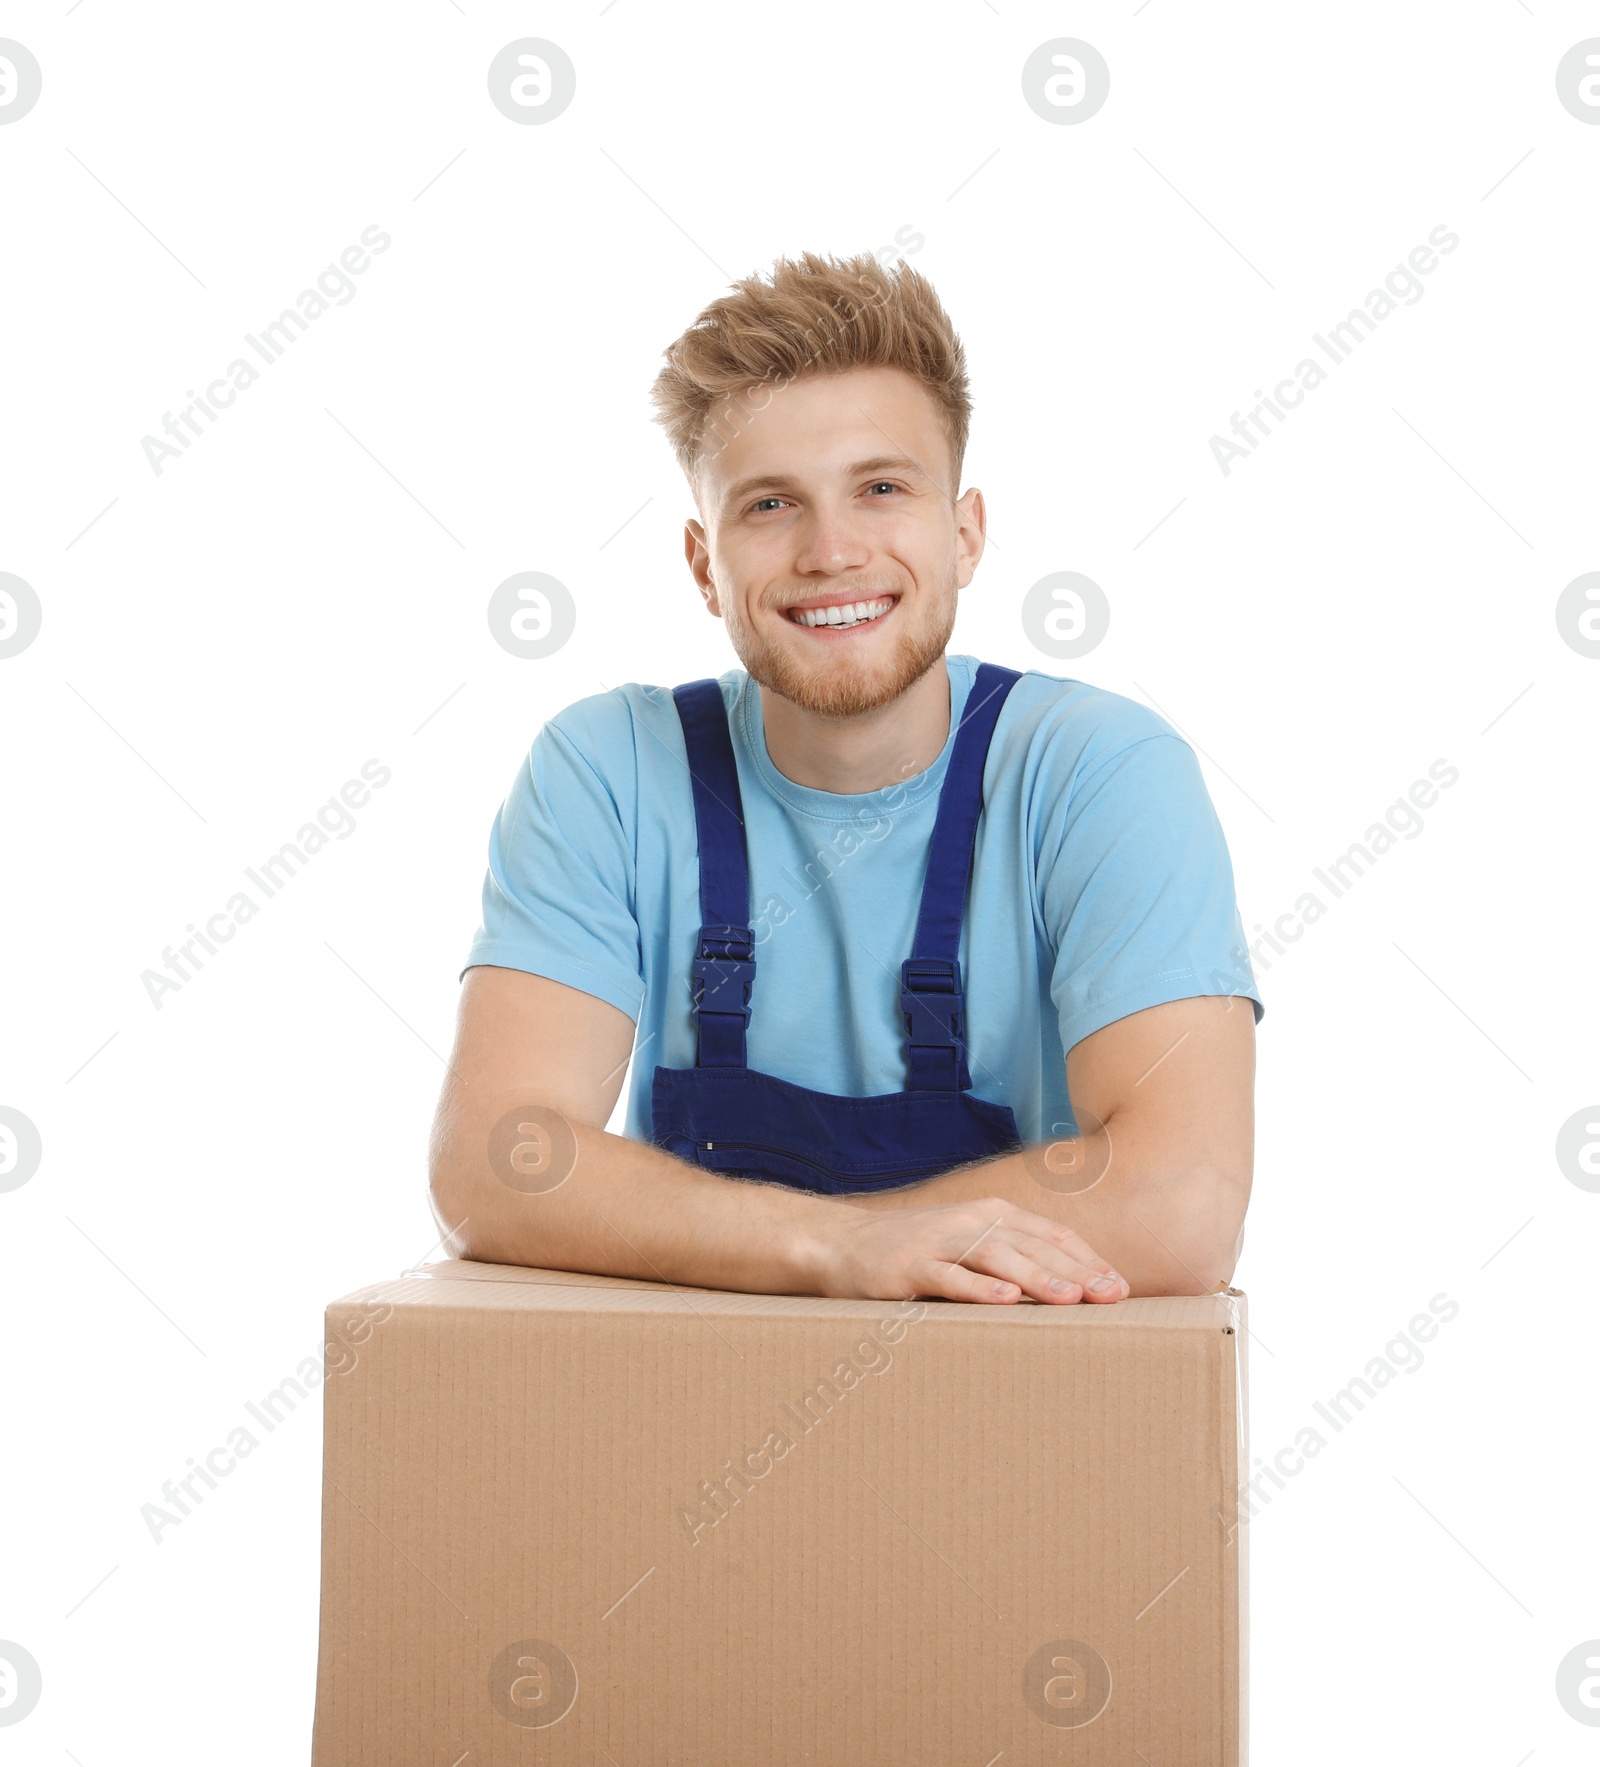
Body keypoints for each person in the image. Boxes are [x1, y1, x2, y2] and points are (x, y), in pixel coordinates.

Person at [428, 251, 1262, 1307]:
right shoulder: (607, 771)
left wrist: (799, 1243)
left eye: (879, 488)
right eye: (771, 504)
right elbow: (493, 1172)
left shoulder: (1100, 774)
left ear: (963, 535)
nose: (831, 551)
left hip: (1018, 1426)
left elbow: (1181, 1205)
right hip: (689, 1423)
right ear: (703, 566)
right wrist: (834, 1253)